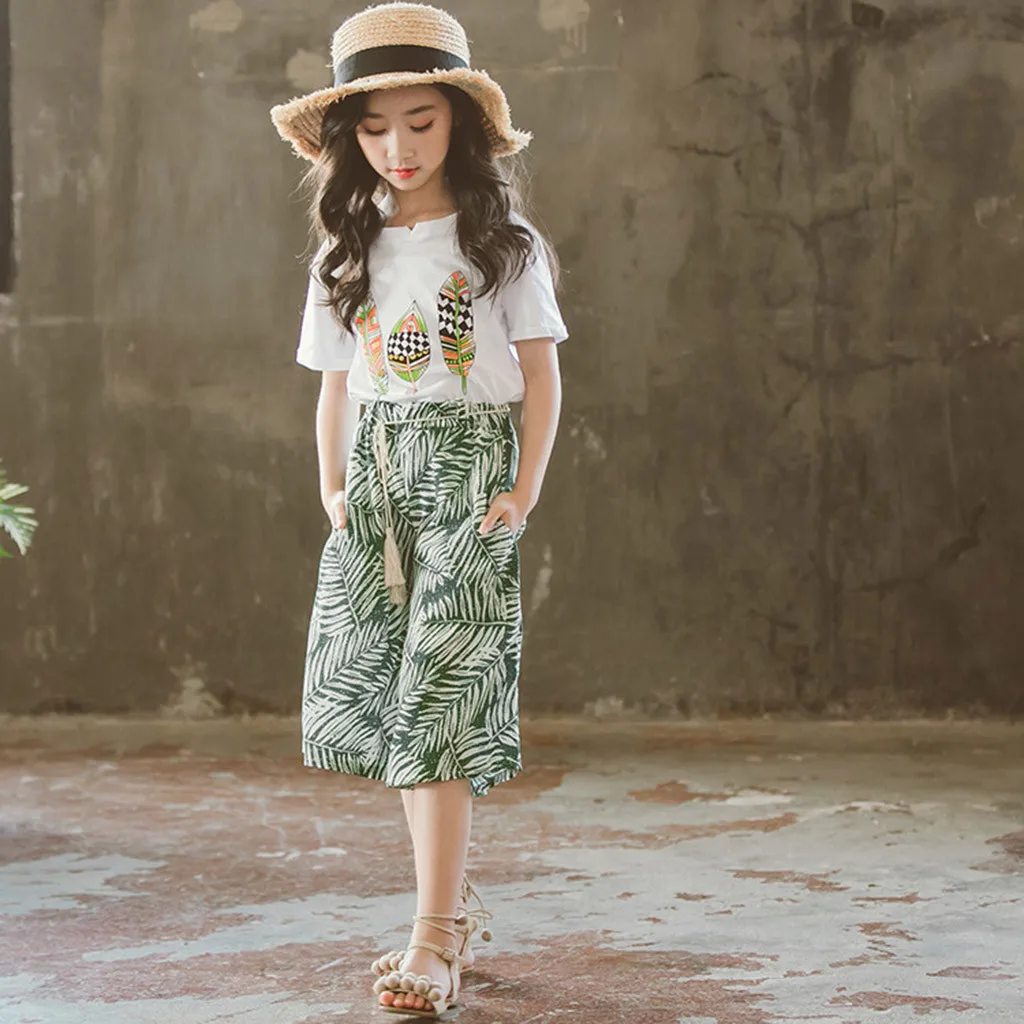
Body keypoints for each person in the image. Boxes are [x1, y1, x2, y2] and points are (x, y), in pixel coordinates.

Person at [271, 3, 568, 1016]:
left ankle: (433, 935)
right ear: (348, 137)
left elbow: (541, 377)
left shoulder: (503, 244)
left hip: (469, 475)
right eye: (373, 127)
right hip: (375, 479)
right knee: (396, 694)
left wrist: (521, 492)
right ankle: (444, 912)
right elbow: (335, 385)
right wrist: (333, 487)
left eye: (421, 121)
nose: (397, 147)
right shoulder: (346, 247)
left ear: (462, 122)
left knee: (441, 693)